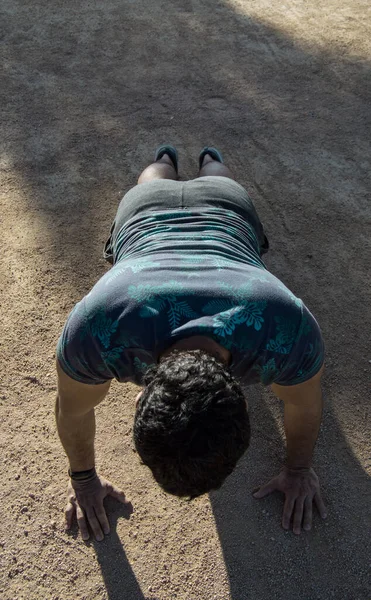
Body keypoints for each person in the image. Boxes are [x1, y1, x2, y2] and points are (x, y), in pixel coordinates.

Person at [56, 145, 327, 542]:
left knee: (203, 180)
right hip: (157, 209)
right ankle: (192, 160)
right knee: (193, 181)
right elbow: (304, 401)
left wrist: (84, 480)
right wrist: (82, 481)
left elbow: (71, 409)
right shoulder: (98, 330)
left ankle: (176, 161)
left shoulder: (283, 328)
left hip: (219, 207)